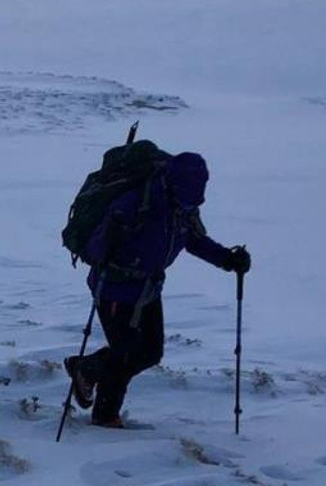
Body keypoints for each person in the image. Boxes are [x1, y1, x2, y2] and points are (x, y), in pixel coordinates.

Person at [64, 152, 251, 428]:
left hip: (149, 288)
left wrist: (226, 259)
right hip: (115, 288)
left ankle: (87, 369)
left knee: (150, 352)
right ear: (171, 183)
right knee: (127, 352)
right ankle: (105, 416)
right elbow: (95, 249)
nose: (191, 204)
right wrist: (112, 241)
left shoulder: (183, 208)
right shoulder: (135, 203)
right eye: (187, 197)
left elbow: (194, 240)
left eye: (196, 199)